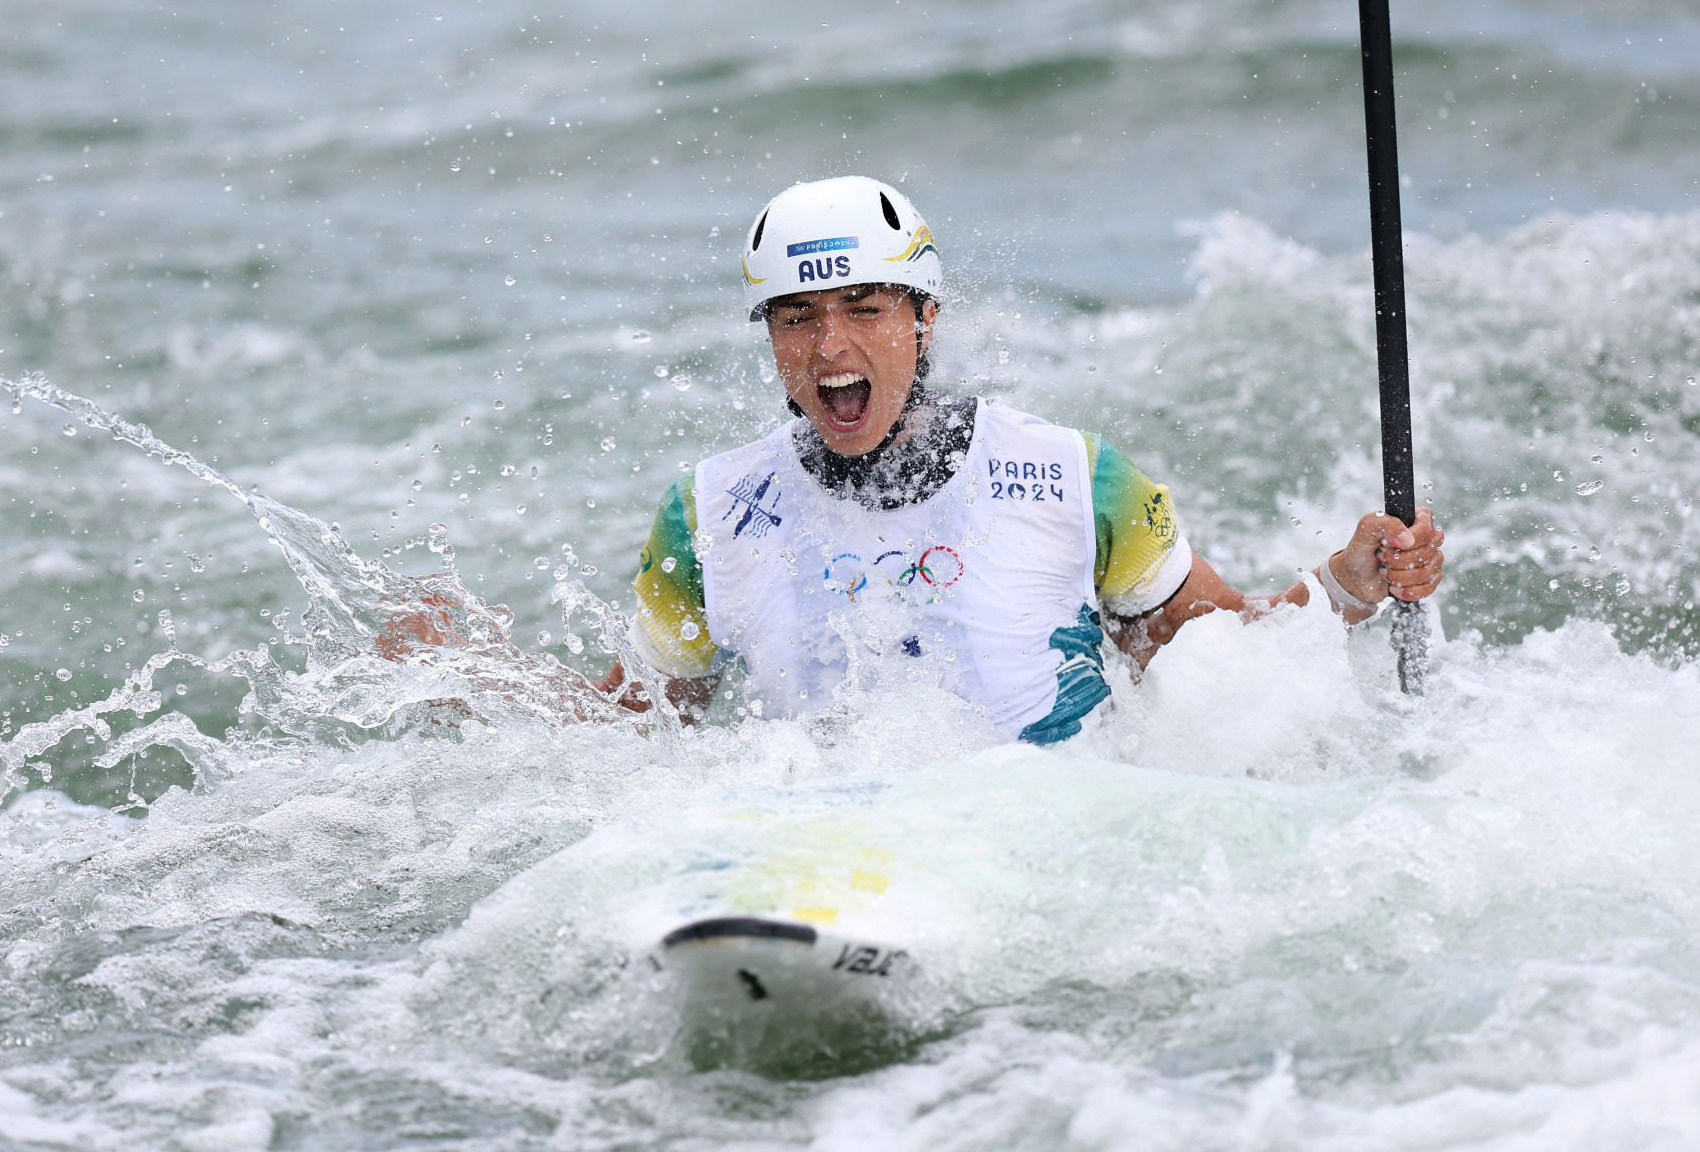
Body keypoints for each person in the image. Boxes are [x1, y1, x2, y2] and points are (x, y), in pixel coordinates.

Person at [592, 176, 1444, 742]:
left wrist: (1345, 584)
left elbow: (1226, 664)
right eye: (797, 318)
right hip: (825, 852)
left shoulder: (1076, 478)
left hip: (1033, 848)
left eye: (864, 308)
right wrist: (471, 681)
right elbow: (631, 734)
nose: (829, 347)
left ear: (924, 321)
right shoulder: (711, 512)